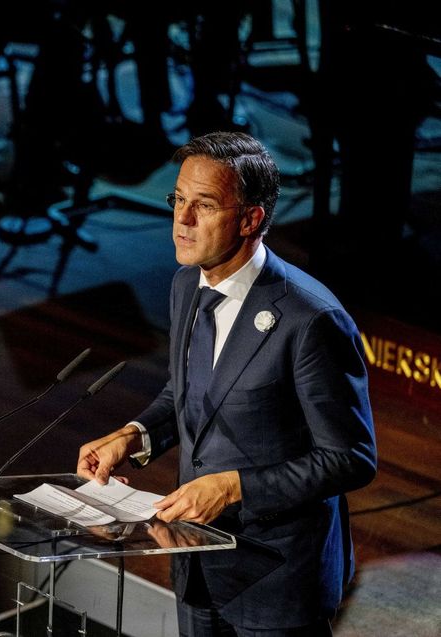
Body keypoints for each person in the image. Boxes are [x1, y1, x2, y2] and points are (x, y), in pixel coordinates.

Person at [75, 132, 377, 635]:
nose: (182, 219)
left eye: (204, 205)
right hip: (195, 562)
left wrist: (235, 488)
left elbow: (351, 458)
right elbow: (186, 392)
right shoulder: (186, 285)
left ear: (251, 218)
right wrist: (133, 436)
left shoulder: (311, 320)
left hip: (277, 578)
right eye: (178, 200)